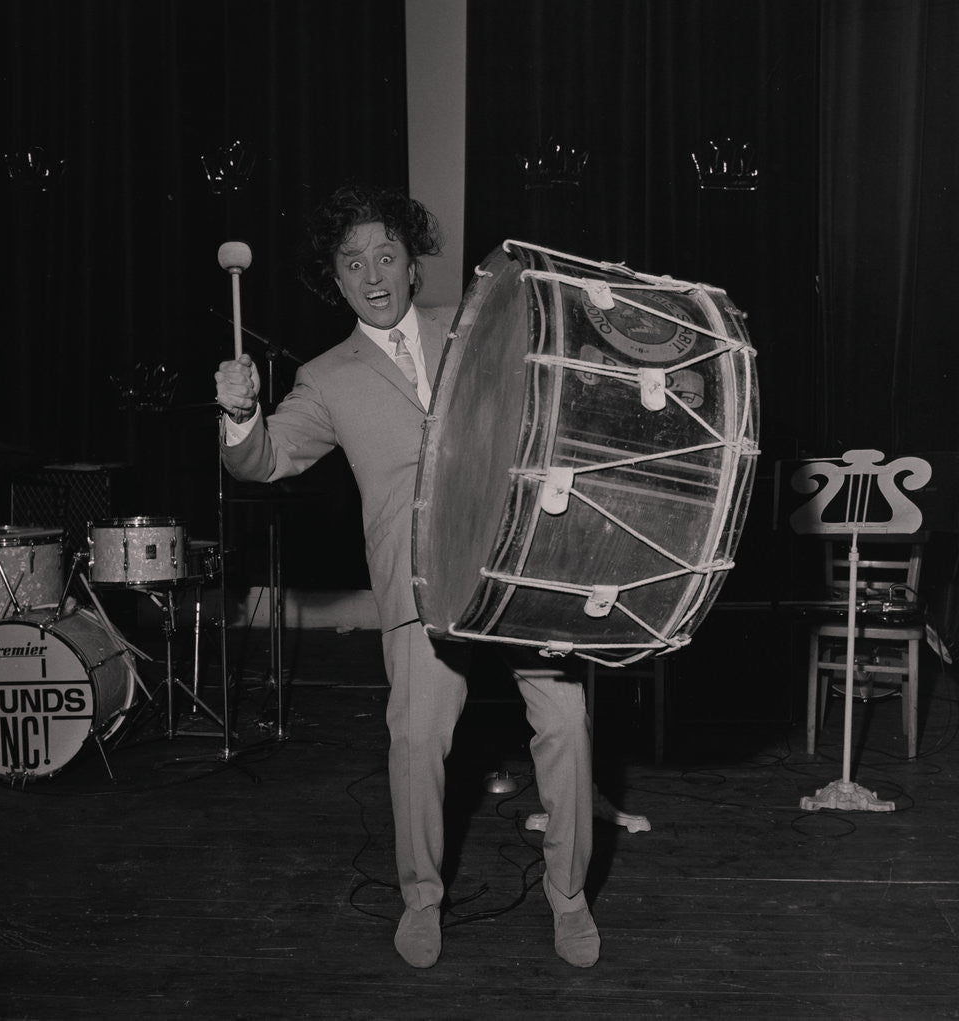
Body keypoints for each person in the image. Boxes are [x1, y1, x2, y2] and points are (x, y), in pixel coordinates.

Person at [214, 183, 597, 968]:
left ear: (413, 265)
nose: (374, 273)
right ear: (337, 279)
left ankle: (570, 898)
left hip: (517, 563)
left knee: (565, 726)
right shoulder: (327, 378)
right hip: (417, 586)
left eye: (386, 254)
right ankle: (422, 898)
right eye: (353, 263)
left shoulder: (477, 321)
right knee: (417, 741)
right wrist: (239, 412)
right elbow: (263, 460)